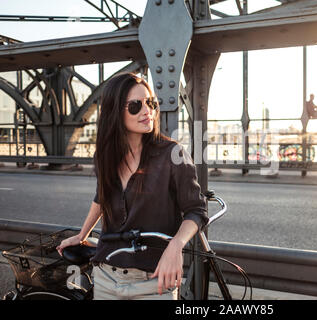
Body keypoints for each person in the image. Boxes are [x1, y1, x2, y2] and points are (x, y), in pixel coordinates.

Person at [56, 73, 208, 300]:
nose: (147, 111)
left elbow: (196, 210)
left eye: (151, 103)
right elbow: (101, 197)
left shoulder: (173, 154)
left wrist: (176, 245)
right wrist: (82, 234)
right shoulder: (104, 156)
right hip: (106, 276)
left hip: (154, 282)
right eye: (136, 106)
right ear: (115, 111)